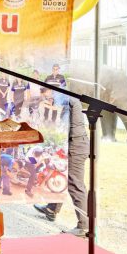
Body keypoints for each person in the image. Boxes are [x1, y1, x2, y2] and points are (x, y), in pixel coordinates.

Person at [34, 98, 89, 237]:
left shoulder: (66, 99)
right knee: (58, 174)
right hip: (71, 143)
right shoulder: (66, 98)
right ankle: (51, 209)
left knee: (75, 185)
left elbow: (56, 119)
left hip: (75, 145)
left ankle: (84, 227)